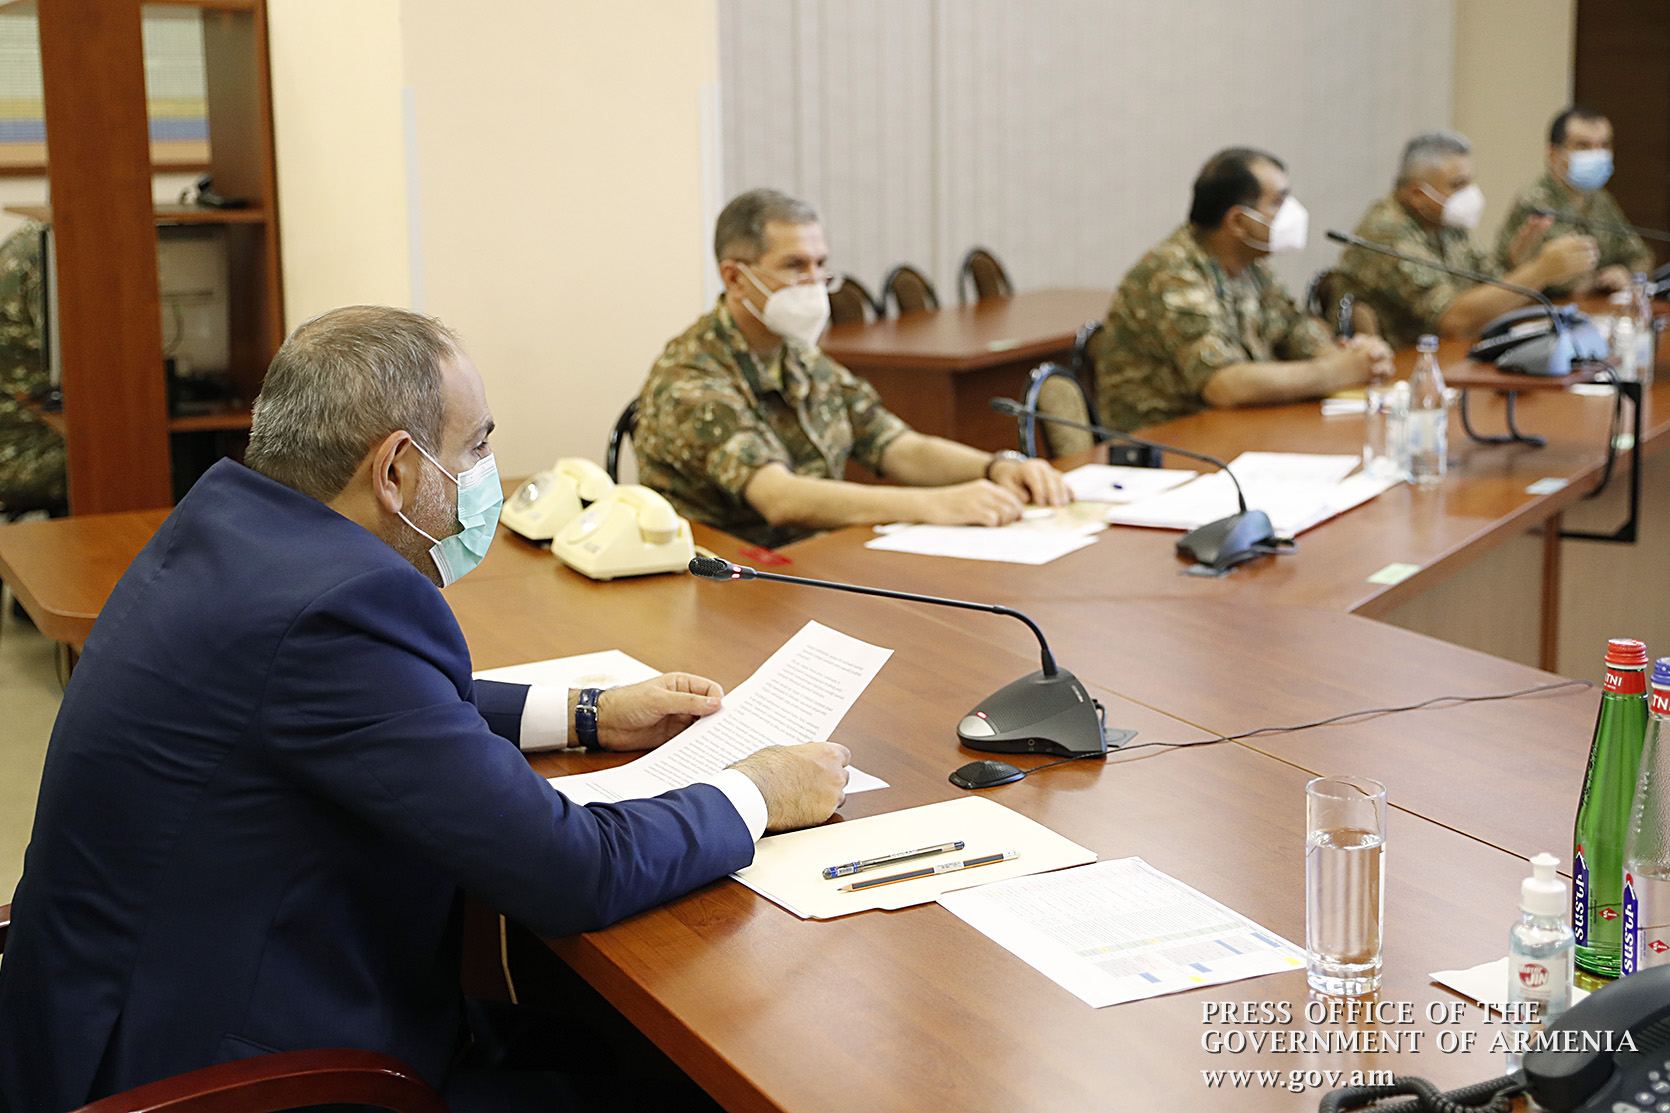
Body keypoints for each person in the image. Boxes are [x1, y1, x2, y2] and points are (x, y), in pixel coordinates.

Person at [0, 306, 850, 1113]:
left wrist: (589, 711)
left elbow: (375, 705)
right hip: (234, 1074)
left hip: (102, 1022)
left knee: (596, 1047)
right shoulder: (338, 612)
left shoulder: (232, 528)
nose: (488, 472)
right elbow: (573, 870)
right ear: (397, 471)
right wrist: (756, 792)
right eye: (476, 446)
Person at [634, 188, 1069, 549]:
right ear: (734, 278)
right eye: (795, 266)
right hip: (728, 581)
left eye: (820, 264)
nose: (814, 281)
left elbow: (894, 445)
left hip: (815, 564)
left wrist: (997, 467)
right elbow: (779, 497)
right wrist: (934, 504)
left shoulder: (798, 355)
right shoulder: (690, 377)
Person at [1092, 148, 1392, 432]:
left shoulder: (1250, 264)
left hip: (1233, 426)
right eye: (1277, 202)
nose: (1290, 213)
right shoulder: (1172, 272)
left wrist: (1347, 356)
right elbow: (1224, 384)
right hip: (1165, 440)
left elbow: (1293, 327)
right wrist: (1335, 373)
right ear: (1237, 221)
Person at [1336, 130, 1599, 351]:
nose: (1469, 193)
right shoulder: (1388, 231)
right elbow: (1453, 318)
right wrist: (1539, 271)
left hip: (1448, 353)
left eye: (1470, 181)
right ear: (1417, 194)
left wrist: (1515, 262)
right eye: (1457, 184)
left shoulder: (1442, 220)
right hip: (1399, 367)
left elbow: (1483, 284)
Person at [1491, 106, 1655, 297]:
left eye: (1604, 145)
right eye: (1583, 146)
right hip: (1546, 309)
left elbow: (1641, 256)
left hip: (1594, 307)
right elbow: (1534, 277)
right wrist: (1597, 281)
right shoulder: (1535, 202)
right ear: (1553, 154)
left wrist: (1625, 274)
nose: (1596, 155)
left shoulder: (1600, 199)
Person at [0, 219, 68, 516]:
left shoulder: (33, 241)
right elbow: (86, 364)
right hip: (19, 445)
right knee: (145, 454)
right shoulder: (42, 260)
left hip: (23, 427)